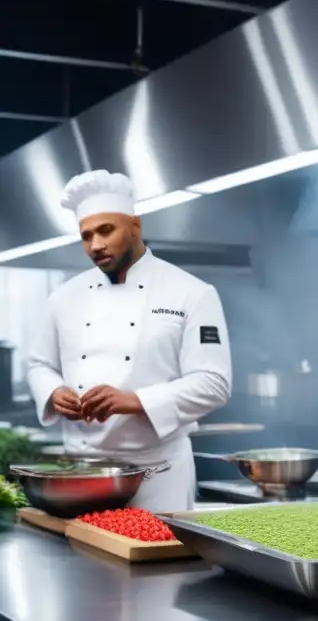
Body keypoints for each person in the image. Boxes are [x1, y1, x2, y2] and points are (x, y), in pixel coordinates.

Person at [25, 170, 232, 512]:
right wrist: (53, 391)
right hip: (84, 473)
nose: (96, 245)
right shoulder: (64, 297)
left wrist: (134, 400)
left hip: (158, 476)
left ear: (135, 226)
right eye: (86, 235)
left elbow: (213, 383)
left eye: (106, 230)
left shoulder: (192, 293)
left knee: (157, 564)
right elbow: (39, 364)